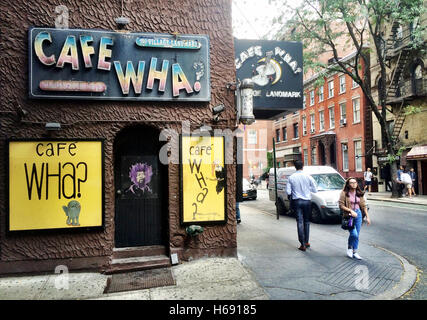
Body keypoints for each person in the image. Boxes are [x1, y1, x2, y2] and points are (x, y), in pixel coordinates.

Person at [286, 160, 318, 252]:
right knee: (307, 221)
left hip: (297, 201)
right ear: (302, 166)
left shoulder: (291, 177)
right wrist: (307, 189)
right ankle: (307, 241)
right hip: (307, 201)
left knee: (299, 222)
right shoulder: (308, 176)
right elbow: (315, 190)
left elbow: (288, 192)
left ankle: (302, 244)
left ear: (295, 167)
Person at [339, 177, 371, 260]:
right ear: (348, 184)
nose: (354, 184)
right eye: (351, 183)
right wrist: (350, 211)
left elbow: (363, 206)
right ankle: (349, 248)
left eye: (355, 182)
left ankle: (355, 251)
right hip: (349, 215)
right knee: (354, 234)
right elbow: (341, 205)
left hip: (358, 214)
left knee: (357, 234)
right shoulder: (344, 193)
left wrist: (367, 217)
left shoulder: (359, 193)